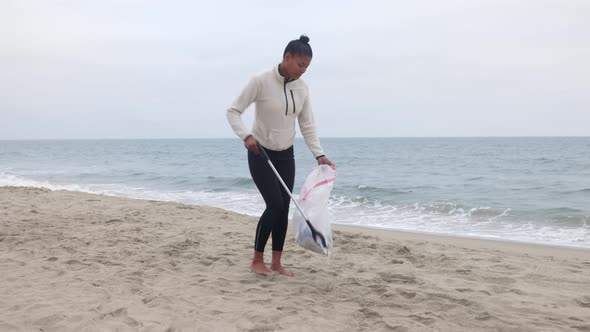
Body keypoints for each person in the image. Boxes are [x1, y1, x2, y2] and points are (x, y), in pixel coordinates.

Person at [226, 35, 335, 276]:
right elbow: (233, 111)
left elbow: (307, 124)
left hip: (286, 154)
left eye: (307, 67)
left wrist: (320, 155)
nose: (303, 71)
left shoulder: (302, 88)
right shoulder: (261, 81)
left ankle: (276, 262)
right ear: (287, 58)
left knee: (284, 207)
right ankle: (257, 260)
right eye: (300, 65)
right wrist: (246, 136)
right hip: (261, 152)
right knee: (274, 205)